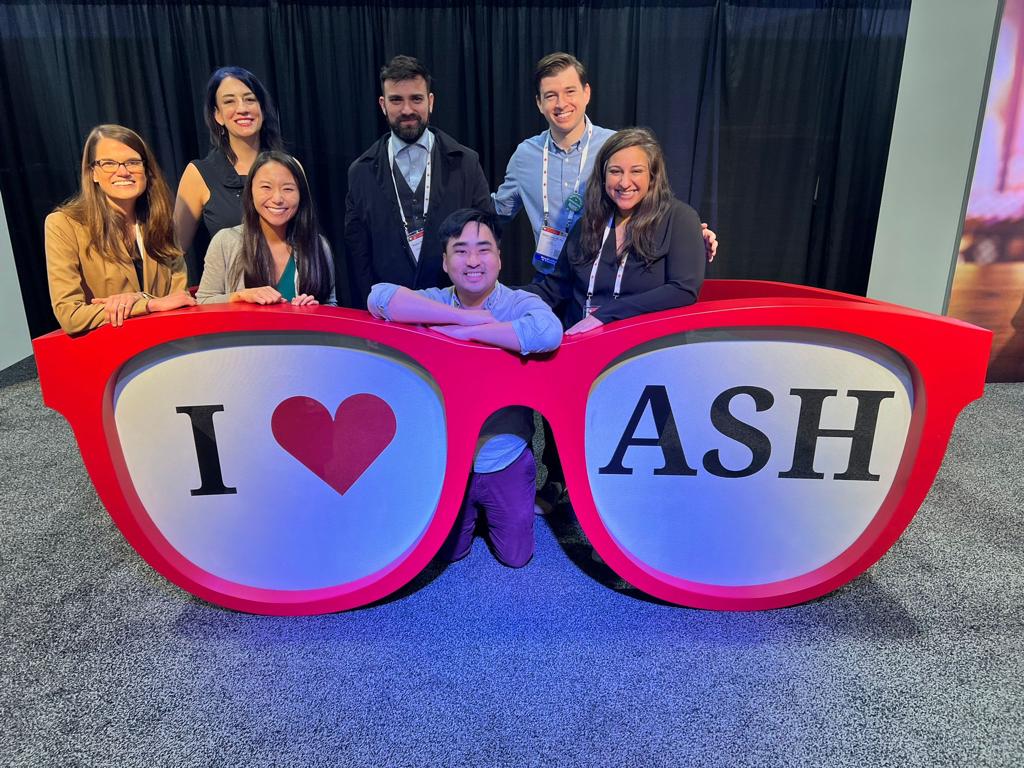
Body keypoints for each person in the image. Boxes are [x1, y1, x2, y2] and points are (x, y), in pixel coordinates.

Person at [367, 208, 562, 568]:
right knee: (449, 556)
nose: (473, 260)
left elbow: (548, 332)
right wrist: (463, 318)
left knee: (516, 557)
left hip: (505, 457)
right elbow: (378, 297)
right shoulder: (436, 301)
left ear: (500, 259)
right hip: (449, 461)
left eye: (483, 249)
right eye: (460, 250)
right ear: (444, 261)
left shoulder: (518, 303)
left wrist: (470, 335)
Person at [492, 52, 717, 277]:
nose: (561, 104)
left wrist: (689, 234)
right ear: (539, 103)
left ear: (586, 93)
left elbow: (651, 203)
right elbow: (497, 212)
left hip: (605, 280)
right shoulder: (525, 155)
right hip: (550, 281)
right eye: (550, 96)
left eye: (570, 91)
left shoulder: (616, 146)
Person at [345, 55, 493, 308]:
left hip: (456, 313)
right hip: (389, 316)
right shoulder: (361, 172)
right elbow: (358, 257)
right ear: (383, 104)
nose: (407, 110)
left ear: (430, 101)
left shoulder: (466, 163)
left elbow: (487, 238)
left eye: (416, 99)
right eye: (396, 100)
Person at [528, 126, 705, 330]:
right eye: (615, 171)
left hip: (641, 349)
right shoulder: (588, 223)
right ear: (603, 176)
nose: (624, 182)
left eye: (636, 171)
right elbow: (554, 289)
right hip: (580, 344)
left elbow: (683, 290)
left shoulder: (680, 218)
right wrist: (497, 297)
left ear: (653, 176)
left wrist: (606, 315)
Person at [45, 124, 196, 334]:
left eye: (133, 162)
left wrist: (140, 298)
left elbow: (179, 298)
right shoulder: (63, 224)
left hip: (168, 347)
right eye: (109, 163)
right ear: (92, 174)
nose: (123, 172)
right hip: (110, 356)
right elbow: (69, 315)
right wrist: (148, 305)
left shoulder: (161, 221)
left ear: (146, 169)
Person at [196, 151, 336, 306]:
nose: (277, 199)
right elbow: (203, 301)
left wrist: (315, 308)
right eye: (266, 187)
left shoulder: (317, 245)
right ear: (250, 192)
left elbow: (331, 303)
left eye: (288, 189)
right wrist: (240, 296)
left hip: (301, 331)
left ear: (301, 194)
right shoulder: (225, 241)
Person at [174, 67, 285, 261]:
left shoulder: (289, 167)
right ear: (217, 115)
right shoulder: (199, 174)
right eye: (229, 101)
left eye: (250, 99)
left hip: (291, 288)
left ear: (262, 108)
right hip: (233, 289)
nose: (242, 108)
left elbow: (305, 237)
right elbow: (175, 249)